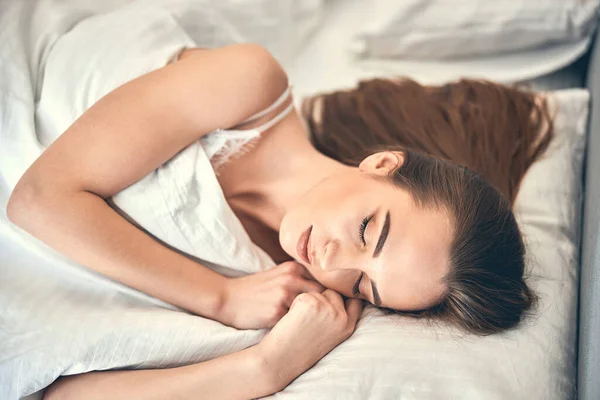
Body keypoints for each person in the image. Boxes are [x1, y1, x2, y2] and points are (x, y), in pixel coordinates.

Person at [6, 43, 552, 399]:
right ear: (383, 163)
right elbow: (37, 199)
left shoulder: (283, 298)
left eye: (367, 284)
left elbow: (62, 390)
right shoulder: (250, 86)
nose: (335, 261)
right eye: (368, 230)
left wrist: (264, 368)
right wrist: (217, 297)